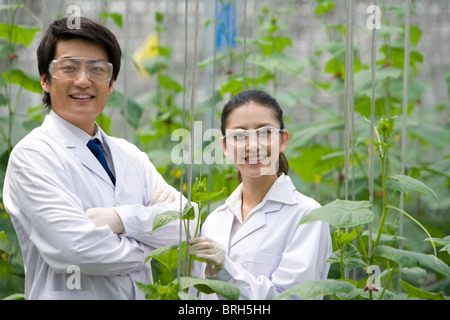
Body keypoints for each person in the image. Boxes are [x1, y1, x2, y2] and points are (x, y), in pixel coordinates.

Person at [3, 17, 196, 300]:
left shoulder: (130, 155)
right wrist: (152, 243)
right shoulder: (33, 156)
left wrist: (120, 219)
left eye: (97, 69)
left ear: (111, 82)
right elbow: (76, 251)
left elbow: (188, 221)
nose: (83, 80)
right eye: (68, 68)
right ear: (45, 80)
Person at [189, 90, 332, 300]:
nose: (253, 145)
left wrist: (225, 269)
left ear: (283, 140)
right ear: (225, 147)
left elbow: (293, 298)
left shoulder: (308, 216)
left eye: (264, 133)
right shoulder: (215, 221)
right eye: (239, 135)